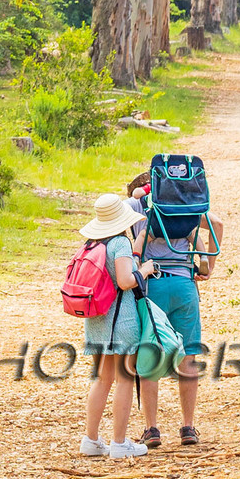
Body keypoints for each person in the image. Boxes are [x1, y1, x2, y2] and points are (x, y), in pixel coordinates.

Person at [127, 171, 224, 449]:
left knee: (150, 357)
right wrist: (208, 268)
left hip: (153, 285)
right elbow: (216, 224)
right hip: (184, 285)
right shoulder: (186, 210)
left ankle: (152, 429)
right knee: (189, 356)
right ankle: (188, 427)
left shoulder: (139, 206)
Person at [75, 192, 155, 461]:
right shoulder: (120, 242)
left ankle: (91, 439)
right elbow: (124, 281)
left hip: (97, 319)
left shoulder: (92, 242)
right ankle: (120, 442)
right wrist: (144, 270)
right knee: (124, 378)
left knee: (102, 378)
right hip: (121, 320)